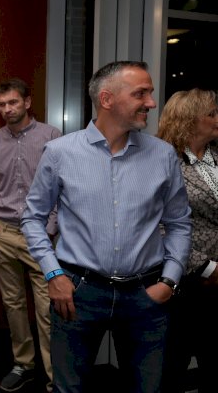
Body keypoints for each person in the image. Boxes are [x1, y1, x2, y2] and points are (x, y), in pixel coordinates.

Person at [21, 61, 192, 392]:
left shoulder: (163, 155)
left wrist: (170, 280)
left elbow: (179, 222)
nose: (151, 102)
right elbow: (32, 218)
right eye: (140, 94)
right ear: (107, 99)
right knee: (70, 388)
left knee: (147, 389)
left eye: (150, 93)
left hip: (146, 293)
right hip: (77, 292)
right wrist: (53, 275)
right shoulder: (59, 153)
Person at [0, 78, 61, 392]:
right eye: (2, 104)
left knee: (47, 308)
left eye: (13, 102)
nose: (7, 109)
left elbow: (61, 188)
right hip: (4, 233)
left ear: (27, 102)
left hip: (40, 235)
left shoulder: (51, 137)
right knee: (13, 305)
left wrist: (49, 227)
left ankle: (55, 378)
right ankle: (23, 364)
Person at [157, 88, 218, 393]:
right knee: (172, 367)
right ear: (190, 119)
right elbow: (159, 227)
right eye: (212, 113)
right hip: (184, 282)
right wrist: (207, 268)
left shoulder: (216, 158)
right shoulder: (163, 163)